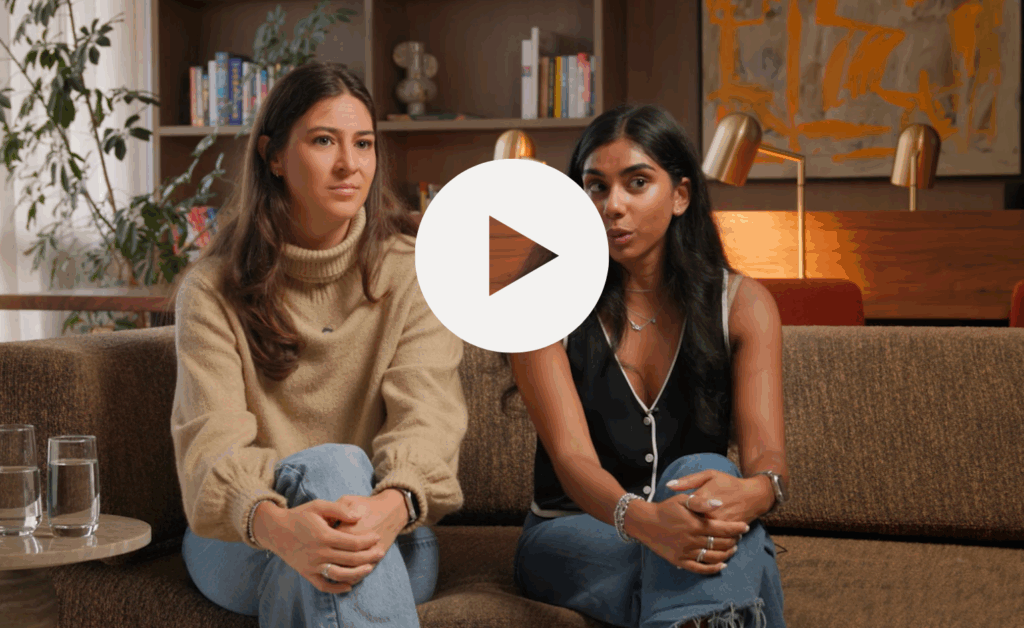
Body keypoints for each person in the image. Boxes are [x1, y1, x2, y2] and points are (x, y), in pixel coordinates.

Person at [171, 61, 468, 628]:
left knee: (338, 495)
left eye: (364, 143)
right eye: (324, 141)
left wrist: (386, 508)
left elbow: (427, 421)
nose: (349, 164)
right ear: (274, 156)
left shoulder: (415, 273)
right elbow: (213, 449)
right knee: (331, 476)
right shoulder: (211, 290)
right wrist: (284, 529)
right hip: (247, 535)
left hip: (386, 526)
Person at [506, 104, 788, 628]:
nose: (613, 205)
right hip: (570, 532)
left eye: (637, 183)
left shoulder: (744, 305)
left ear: (680, 195)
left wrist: (756, 492)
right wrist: (649, 523)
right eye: (596, 187)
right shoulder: (540, 305)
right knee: (736, 554)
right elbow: (572, 460)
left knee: (705, 476)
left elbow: (766, 455)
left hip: (693, 523)